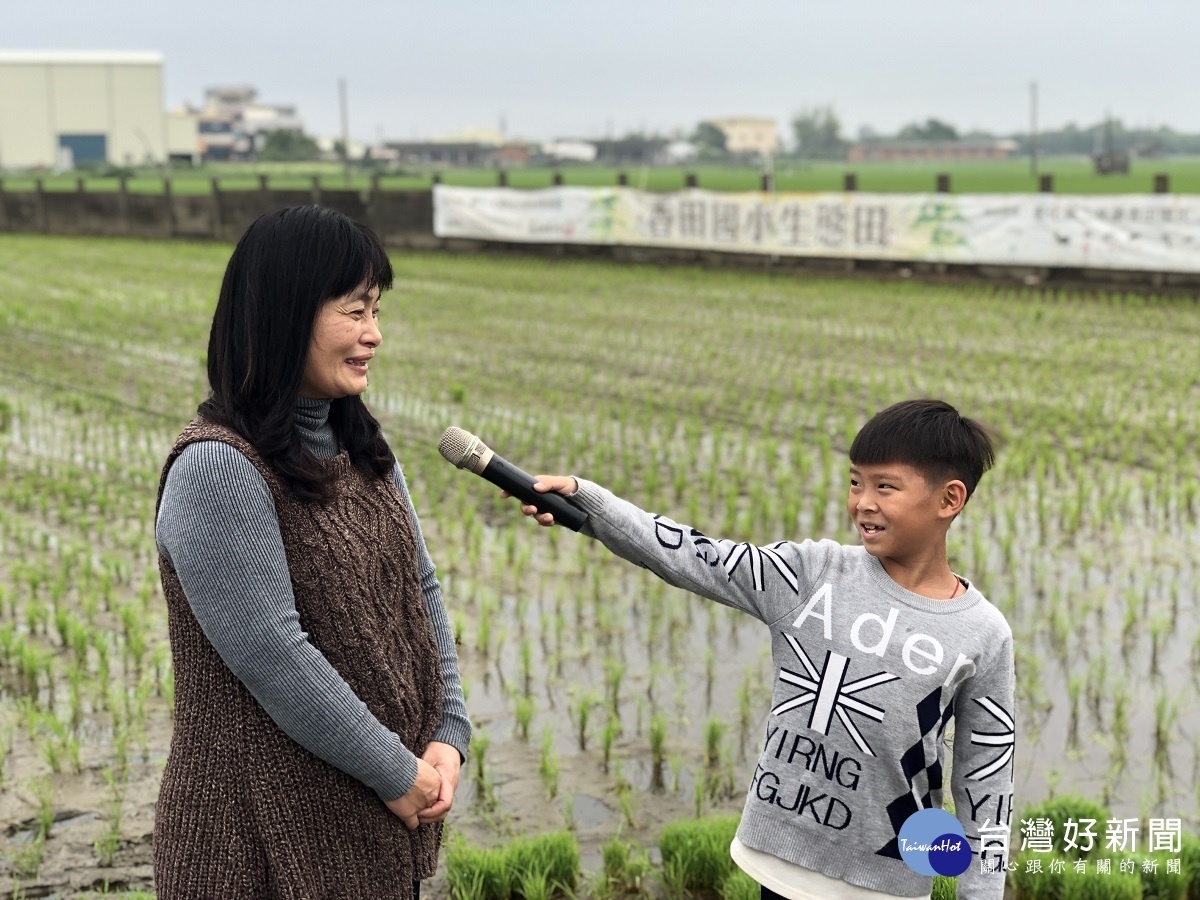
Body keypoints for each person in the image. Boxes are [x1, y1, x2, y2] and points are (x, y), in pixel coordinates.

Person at [508, 400, 1013, 900]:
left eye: (886, 486)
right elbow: (692, 555)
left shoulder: (982, 633)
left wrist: (982, 893)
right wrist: (589, 502)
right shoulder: (812, 574)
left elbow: (986, 774)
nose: (863, 502)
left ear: (949, 499)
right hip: (780, 862)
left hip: (888, 882)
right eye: (856, 481)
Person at [153, 205, 471, 899]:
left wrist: (449, 727)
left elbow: (422, 589)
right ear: (286, 313)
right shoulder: (218, 469)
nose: (374, 335)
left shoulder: (365, 452)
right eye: (355, 312)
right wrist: (396, 771)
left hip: (363, 832)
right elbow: (275, 653)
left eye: (377, 311)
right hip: (253, 848)